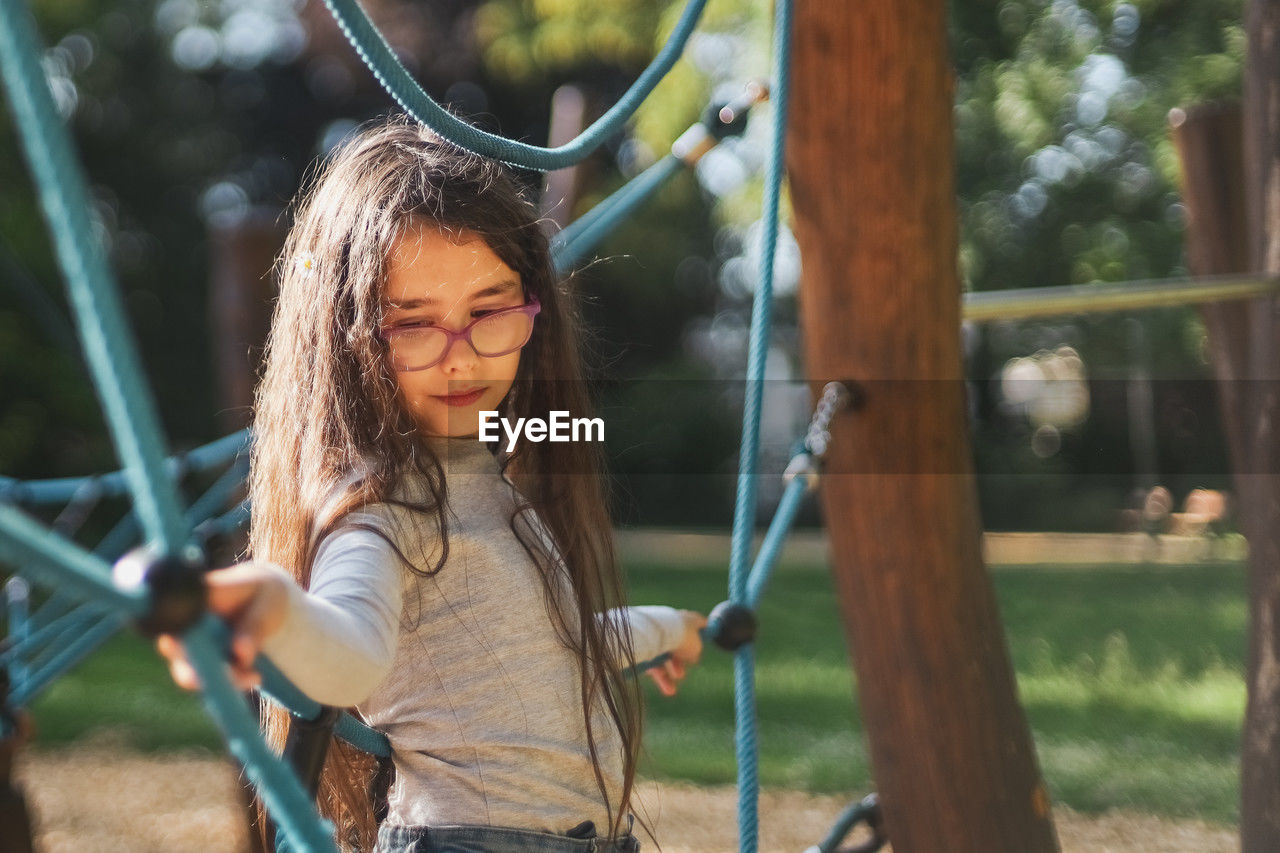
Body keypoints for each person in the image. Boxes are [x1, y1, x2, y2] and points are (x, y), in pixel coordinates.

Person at [156, 113, 708, 853]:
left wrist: (672, 627)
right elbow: (353, 652)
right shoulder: (382, 505)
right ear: (346, 335)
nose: (462, 357)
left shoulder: (490, 477)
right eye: (412, 322)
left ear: (531, 309)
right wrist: (277, 610)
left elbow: (557, 645)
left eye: (489, 311)